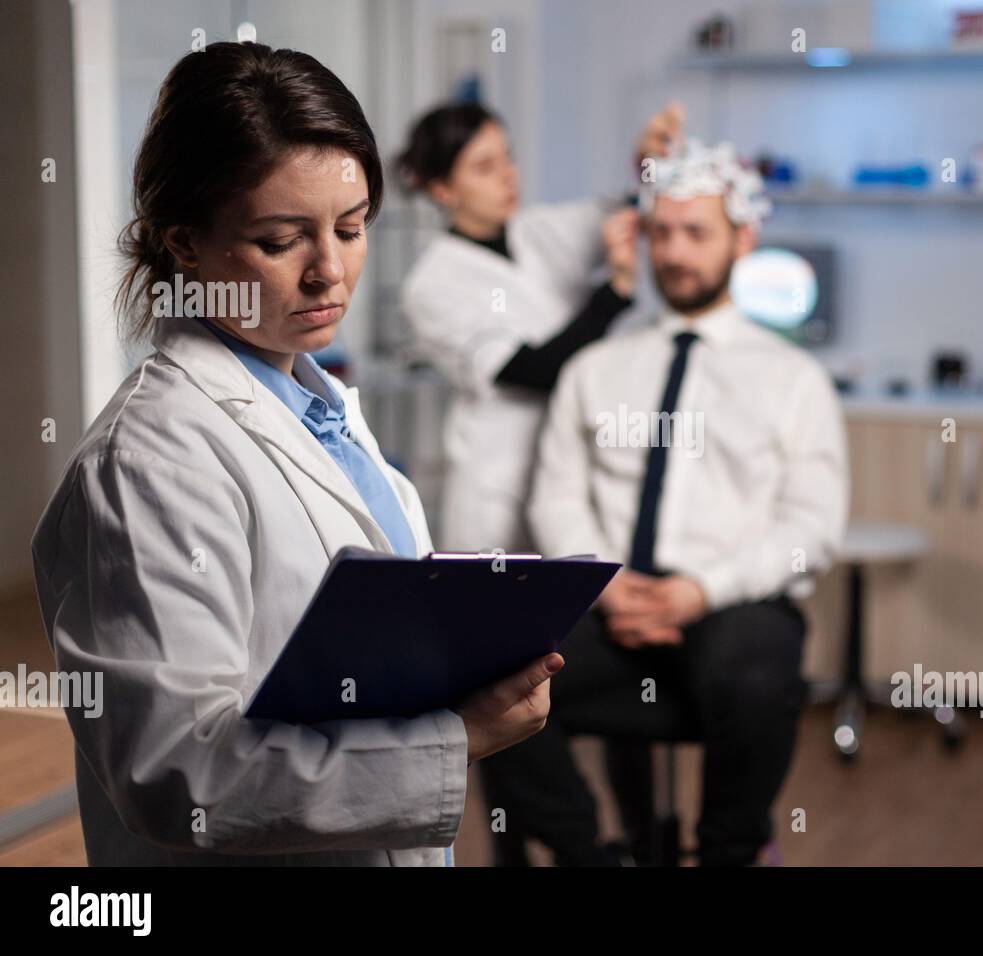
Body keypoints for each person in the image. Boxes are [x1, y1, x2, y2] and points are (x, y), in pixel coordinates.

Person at [29, 41, 560, 867]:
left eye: (351, 230)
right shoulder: (149, 463)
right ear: (185, 245)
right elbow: (176, 775)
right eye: (281, 241)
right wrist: (454, 742)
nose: (330, 272)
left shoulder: (321, 414)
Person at [479, 139, 848, 866]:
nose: (675, 253)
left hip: (731, 600)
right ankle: (588, 854)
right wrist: (609, 585)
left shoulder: (793, 378)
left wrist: (698, 590)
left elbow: (812, 527)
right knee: (491, 665)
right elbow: (556, 493)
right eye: (662, 232)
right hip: (610, 598)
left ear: (744, 239)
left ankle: (728, 853)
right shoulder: (596, 367)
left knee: (755, 666)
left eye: (697, 233)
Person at [398, 100, 683, 552]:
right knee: (498, 618)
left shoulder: (541, 231)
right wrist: (614, 294)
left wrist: (647, 165)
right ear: (441, 189)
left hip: (573, 478)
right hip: (499, 488)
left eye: (507, 157)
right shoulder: (431, 284)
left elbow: (632, 210)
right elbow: (530, 370)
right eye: (484, 166)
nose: (508, 175)